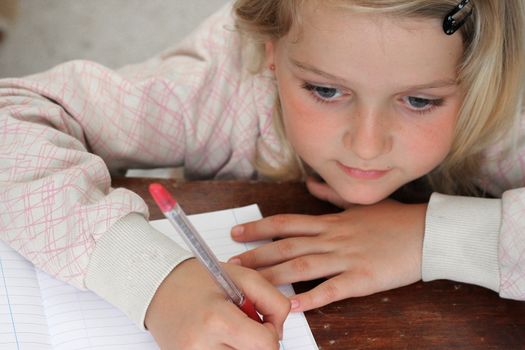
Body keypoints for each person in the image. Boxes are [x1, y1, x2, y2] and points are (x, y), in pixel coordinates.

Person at [0, 0, 524, 348]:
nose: (367, 143)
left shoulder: (507, 114)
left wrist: (437, 238)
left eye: (419, 100)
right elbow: (12, 117)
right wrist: (153, 280)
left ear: (483, 73)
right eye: (324, 90)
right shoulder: (223, 86)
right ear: (272, 53)